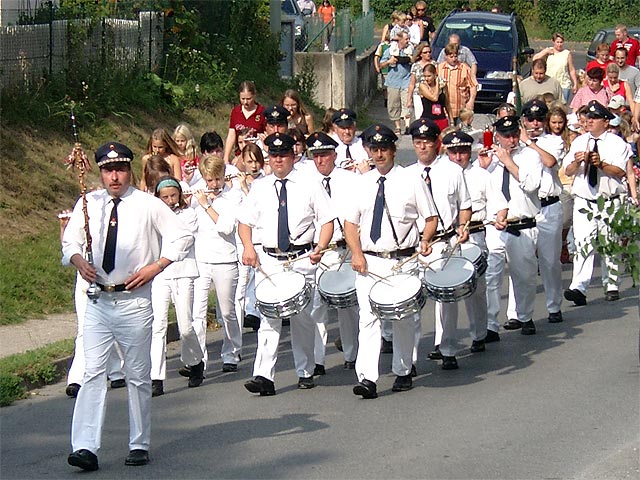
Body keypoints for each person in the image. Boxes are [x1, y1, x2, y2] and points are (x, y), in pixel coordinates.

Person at [63, 142, 194, 471]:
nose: (114, 176)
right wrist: (78, 260)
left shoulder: (148, 205)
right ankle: (85, 446)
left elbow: (181, 236)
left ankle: (139, 442)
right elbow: (70, 241)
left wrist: (157, 266)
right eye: (108, 170)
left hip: (134, 300)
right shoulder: (89, 203)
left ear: (129, 170)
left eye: (120, 169)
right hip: (97, 298)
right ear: (100, 173)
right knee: (93, 372)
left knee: (137, 375)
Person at [344, 124, 438, 397]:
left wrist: (425, 239)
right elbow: (350, 224)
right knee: (368, 318)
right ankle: (367, 378)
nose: (379, 154)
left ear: (394, 150)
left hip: (402, 259)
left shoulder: (411, 179)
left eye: (384, 148)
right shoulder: (361, 183)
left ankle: (403, 370)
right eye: (374, 149)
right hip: (370, 261)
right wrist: (357, 254)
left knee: (402, 318)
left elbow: (430, 217)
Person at [239, 132, 334, 395]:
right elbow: (244, 222)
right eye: (273, 155)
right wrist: (248, 247)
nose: (278, 160)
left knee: (302, 318)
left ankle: (305, 370)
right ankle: (263, 376)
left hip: (302, 258)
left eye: (283, 155)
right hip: (270, 260)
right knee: (269, 317)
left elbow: (326, 220)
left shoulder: (310, 183)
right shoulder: (259, 187)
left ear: (293, 155)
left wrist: (320, 248)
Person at [406, 118, 472, 370]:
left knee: (446, 299)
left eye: (427, 142)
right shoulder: (407, 175)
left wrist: (463, 226)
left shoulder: (453, 171)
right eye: (417, 143)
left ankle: (446, 348)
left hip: (444, 241)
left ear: (437, 144)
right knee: (412, 302)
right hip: (416, 244)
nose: (422, 147)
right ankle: (408, 358)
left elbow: (464, 206)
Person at [478, 116, 542, 339]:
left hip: (521, 224)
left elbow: (532, 184)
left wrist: (508, 162)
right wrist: (483, 168)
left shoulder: (530, 156)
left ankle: (524, 316)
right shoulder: (490, 158)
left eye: (515, 134)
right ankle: (491, 325)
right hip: (495, 226)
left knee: (523, 276)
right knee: (491, 277)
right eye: (506, 136)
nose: (512, 140)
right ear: (498, 136)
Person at [504, 99, 565, 328]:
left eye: (540, 119)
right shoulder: (516, 144)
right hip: (526, 208)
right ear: (523, 120)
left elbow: (549, 161)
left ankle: (553, 306)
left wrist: (529, 142)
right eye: (530, 118)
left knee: (549, 261)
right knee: (519, 262)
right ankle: (515, 313)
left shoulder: (553, 141)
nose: (535, 123)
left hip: (549, 205)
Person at [563, 101, 631, 305]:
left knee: (609, 242)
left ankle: (611, 284)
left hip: (608, 200)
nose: (589, 121)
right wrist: (577, 162)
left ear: (605, 121)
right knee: (583, 243)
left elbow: (619, 172)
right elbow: (567, 170)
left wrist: (599, 163)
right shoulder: (579, 141)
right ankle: (579, 287)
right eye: (587, 118)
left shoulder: (617, 143)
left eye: (594, 118)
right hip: (584, 200)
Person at [306, 131, 360, 373]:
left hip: (343, 248)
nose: (320, 161)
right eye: (316, 156)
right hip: (316, 251)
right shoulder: (304, 180)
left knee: (347, 305)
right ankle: (317, 359)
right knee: (317, 306)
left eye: (324, 155)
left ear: (334, 155)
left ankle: (352, 353)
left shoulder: (349, 180)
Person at [60, 211, 125, 399]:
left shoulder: (114, 229)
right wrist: (64, 227)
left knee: (108, 326)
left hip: (109, 282)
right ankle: (77, 378)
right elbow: (68, 250)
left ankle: (116, 371)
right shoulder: (80, 225)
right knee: (84, 329)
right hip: (85, 282)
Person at [441, 130, 496, 350]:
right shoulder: (438, 174)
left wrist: (498, 217)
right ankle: (443, 341)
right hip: (446, 238)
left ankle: (479, 334)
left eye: (462, 151)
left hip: (474, 234)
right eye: (453, 152)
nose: (458, 157)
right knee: (444, 290)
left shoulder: (481, 175)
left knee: (476, 288)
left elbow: (497, 204)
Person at [150, 177, 204, 396]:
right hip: (159, 274)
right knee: (158, 326)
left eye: (173, 196)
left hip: (183, 272)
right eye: (165, 197)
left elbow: (182, 239)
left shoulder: (189, 214)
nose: (170, 200)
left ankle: (196, 361)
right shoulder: (152, 216)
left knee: (185, 327)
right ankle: (156, 377)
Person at [190, 154, 244, 374]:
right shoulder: (196, 195)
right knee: (198, 312)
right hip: (201, 259)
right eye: (209, 180)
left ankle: (231, 352)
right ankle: (198, 358)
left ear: (223, 176)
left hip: (225, 259)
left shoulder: (233, 197)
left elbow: (226, 227)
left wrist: (206, 206)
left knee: (227, 311)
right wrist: (190, 203)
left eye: (217, 179)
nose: (213, 184)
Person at [223, 81, 266, 164]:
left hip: (256, 155)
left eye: (249, 99)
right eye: (243, 99)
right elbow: (232, 135)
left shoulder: (262, 112)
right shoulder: (236, 112)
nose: (245, 102)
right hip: (240, 155)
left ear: (254, 96)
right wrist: (226, 157)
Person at [380, 30, 414, 135]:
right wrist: (389, 62)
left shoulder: (410, 49)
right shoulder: (390, 50)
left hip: (406, 80)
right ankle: (398, 126)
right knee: (394, 105)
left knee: (407, 103)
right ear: (400, 40)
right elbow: (381, 65)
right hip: (393, 82)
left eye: (409, 38)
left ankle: (407, 126)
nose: (408, 41)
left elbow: (413, 60)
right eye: (406, 39)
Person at [437, 43, 478, 125]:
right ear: (446, 56)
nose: (454, 59)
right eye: (451, 57)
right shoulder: (439, 68)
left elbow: (473, 86)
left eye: (455, 56)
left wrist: (471, 101)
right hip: (445, 110)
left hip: (460, 108)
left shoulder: (465, 68)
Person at [532, 32, 579, 103]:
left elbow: (571, 69)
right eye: (557, 42)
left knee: (562, 106)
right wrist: (545, 52)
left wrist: (575, 83)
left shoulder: (567, 53)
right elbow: (535, 59)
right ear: (553, 42)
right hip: (550, 83)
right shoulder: (548, 51)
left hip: (564, 84)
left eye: (561, 42)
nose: (559, 44)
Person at [407, 42, 435, 119]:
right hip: (418, 94)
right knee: (419, 116)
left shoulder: (434, 64)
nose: (428, 54)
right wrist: (409, 99)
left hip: (431, 93)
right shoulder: (416, 66)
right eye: (425, 52)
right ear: (420, 54)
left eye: (429, 52)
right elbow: (412, 83)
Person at [418, 63, 451, 131]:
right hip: (428, 119)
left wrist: (452, 121)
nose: (426, 79)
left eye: (429, 76)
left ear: (435, 75)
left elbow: (447, 104)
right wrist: (437, 84)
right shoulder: (423, 86)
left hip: (441, 119)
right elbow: (434, 98)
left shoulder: (443, 86)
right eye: (425, 76)